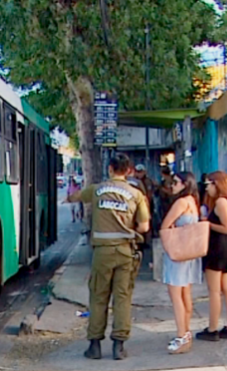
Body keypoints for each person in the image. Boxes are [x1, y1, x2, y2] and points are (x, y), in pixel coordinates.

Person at [64, 153, 150, 360]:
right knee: (122, 297)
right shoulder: (136, 194)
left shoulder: (97, 190)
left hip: (102, 253)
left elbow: (75, 197)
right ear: (128, 171)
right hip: (125, 251)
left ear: (110, 169)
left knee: (98, 297)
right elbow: (144, 226)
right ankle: (119, 347)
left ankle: (94, 346)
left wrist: (68, 197)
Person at [196, 171, 227, 342]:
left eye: (209, 184)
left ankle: (212, 328)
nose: (207, 188)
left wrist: (207, 223)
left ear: (217, 184)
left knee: (214, 291)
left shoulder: (221, 202)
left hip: (218, 248)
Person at [160, 172, 202, 354]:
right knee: (186, 293)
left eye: (176, 182)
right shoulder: (193, 201)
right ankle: (186, 332)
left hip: (178, 252)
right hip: (190, 252)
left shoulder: (181, 202)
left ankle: (181, 334)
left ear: (185, 184)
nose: (172, 185)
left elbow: (165, 225)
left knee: (176, 294)